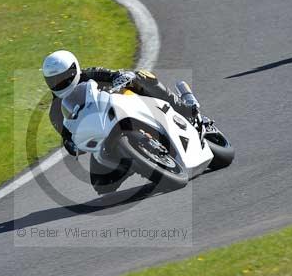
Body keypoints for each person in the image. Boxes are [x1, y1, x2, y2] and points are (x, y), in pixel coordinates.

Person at [41, 50, 198, 193]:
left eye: (63, 78)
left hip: (124, 109)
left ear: (75, 70)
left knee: (141, 76)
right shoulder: (55, 112)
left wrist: (121, 77)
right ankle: (134, 162)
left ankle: (183, 108)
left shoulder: (90, 74)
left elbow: (115, 74)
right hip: (103, 137)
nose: (59, 83)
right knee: (101, 184)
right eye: (54, 81)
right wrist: (71, 144)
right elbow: (67, 136)